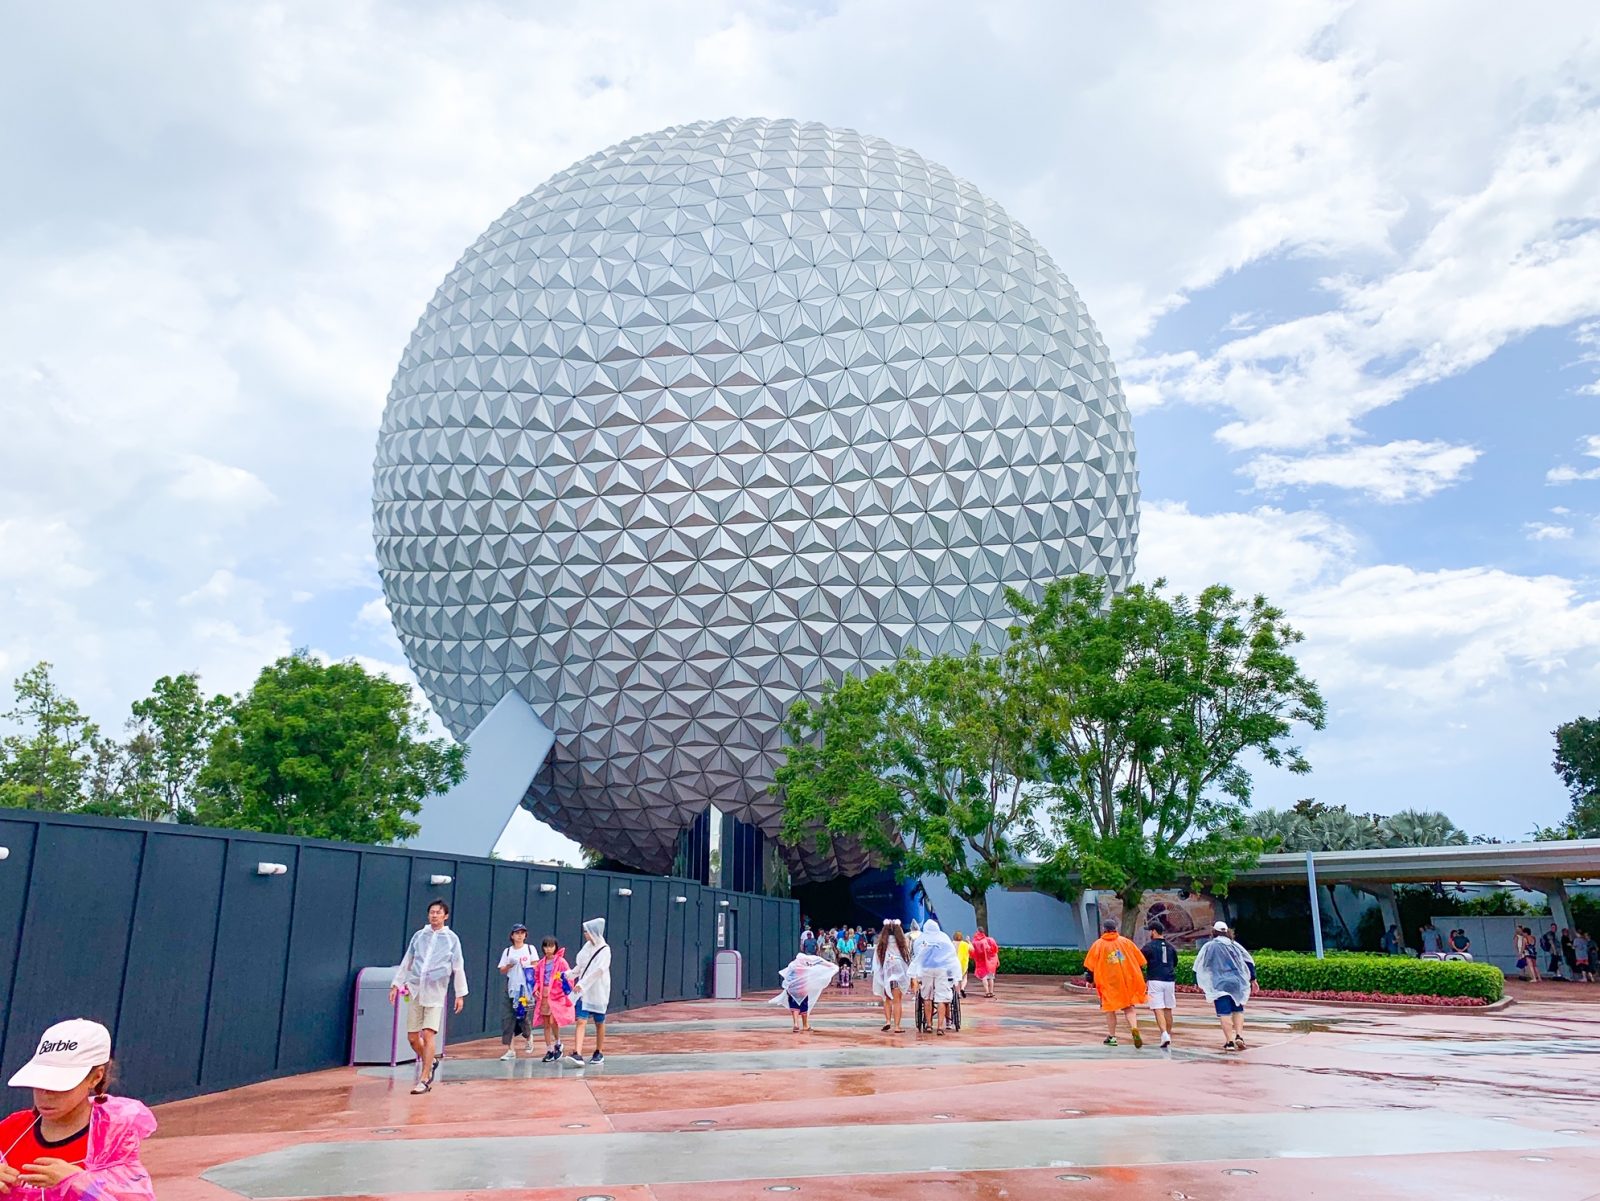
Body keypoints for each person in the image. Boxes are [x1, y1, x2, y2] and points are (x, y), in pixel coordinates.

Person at [1, 1018, 156, 1201]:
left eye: (59, 1084)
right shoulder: (12, 1129)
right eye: (39, 1081)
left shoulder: (110, 1139)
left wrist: (81, 1184)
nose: (46, 1093)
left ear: (95, 1077)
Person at [390, 898, 468, 1093]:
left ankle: (424, 1078)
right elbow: (408, 959)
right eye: (431, 912)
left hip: (436, 993)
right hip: (416, 990)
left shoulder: (451, 939)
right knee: (413, 1038)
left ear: (445, 916)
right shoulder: (419, 936)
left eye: (438, 912)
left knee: (428, 1033)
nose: (434, 915)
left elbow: (458, 966)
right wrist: (396, 984)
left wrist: (460, 994)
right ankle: (430, 1060)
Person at [1083, 919, 1148, 1049]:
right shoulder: (1126, 942)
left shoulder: (1098, 944)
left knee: (1110, 1009)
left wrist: (1090, 980)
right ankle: (1134, 1029)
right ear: (1116, 929)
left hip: (1108, 983)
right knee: (1129, 1007)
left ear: (1104, 929)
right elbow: (1141, 961)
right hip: (1126, 981)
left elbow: (1090, 965)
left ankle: (1112, 1037)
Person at [1194, 921, 1255, 1052]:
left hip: (1219, 984)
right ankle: (1239, 1035)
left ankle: (1230, 1041)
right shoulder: (1235, 945)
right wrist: (1253, 979)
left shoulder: (1209, 946)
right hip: (1236, 983)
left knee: (1224, 1013)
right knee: (1238, 1009)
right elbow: (1248, 960)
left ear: (1214, 932)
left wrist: (1197, 981)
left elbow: (1199, 965)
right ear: (1227, 931)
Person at [565, 918, 612, 1066]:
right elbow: (581, 966)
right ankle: (578, 1053)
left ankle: (599, 1051)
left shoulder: (605, 950)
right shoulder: (587, 947)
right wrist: (570, 974)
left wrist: (583, 984)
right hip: (584, 991)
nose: (585, 934)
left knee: (599, 1021)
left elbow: (598, 971)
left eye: (587, 931)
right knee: (581, 1020)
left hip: (598, 990)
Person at [907, 919, 960, 1035]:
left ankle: (929, 1025)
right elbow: (951, 956)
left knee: (927, 996)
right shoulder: (944, 938)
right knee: (941, 997)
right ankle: (940, 1026)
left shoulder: (921, 939)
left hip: (926, 970)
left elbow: (917, 955)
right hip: (942, 970)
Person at [497, 923, 539, 1060]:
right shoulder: (508, 951)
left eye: (522, 933)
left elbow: (536, 965)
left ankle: (528, 1036)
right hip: (511, 986)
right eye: (517, 933)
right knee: (508, 1018)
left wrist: (527, 968)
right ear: (512, 936)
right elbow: (502, 969)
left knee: (522, 1016)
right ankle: (510, 1049)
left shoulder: (530, 949)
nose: (519, 935)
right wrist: (510, 965)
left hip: (525, 988)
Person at [531, 936, 576, 1062]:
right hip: (544, 995)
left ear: (555, 947)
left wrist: (564, 990)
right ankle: (549, 1049)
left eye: (551, 946)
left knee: (553, 1020)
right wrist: (536, 989)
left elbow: (569, 977)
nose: (548, 949)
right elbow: (536, 978)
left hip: (556, 995)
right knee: (546, 1023)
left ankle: (557, 1042)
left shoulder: (561, 962)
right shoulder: (541, 963)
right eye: (546, 946)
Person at [770, 950, 838, 1032]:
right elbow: (819, 962)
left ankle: (796, 1024)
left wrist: (787, 987)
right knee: (804, 1006)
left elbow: (787, 977)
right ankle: (805, 1025)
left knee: (795, 1007)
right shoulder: (807, 965)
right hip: (803, 989)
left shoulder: (793, 965)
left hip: (793, 989)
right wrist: (832, 966)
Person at [1140, 921, 1178, 1048]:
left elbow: (1140, 961)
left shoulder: (1148, 947)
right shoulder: (1171, 947)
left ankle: (1164, 1034)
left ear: (1154, 931)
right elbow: (1175, 962)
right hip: (1169, 980)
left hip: (1155, 979)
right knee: (1168, 1009)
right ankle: (1168, 1034)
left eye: (1150, 931)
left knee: (1158, 1008)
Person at [874, 921, 912, 1033]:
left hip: (886, 973)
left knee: (886, 999)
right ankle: (897, 1026)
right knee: (897, 1001)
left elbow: (876, 963)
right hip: (898, 974)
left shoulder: (882, 945)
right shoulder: (901, 943)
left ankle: (887, 1021)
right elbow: (907, 960)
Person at [971, 928, 1000, 998]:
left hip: (982, 962)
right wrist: (997, 960)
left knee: (984, 977)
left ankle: (987, 992)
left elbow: (972, 951)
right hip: (992, 962)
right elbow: (995, 951)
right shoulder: (990, 940)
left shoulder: (976, 942)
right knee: (991, 977)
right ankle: (991, 992)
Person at [953, 930, 973, 998]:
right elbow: (972, 949)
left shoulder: (951, 943)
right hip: (963, 963)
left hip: (954, 963)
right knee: (964, 977)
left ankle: (957, 993)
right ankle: (962, 988)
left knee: (956, 979)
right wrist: (968, 941)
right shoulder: (964, 944)